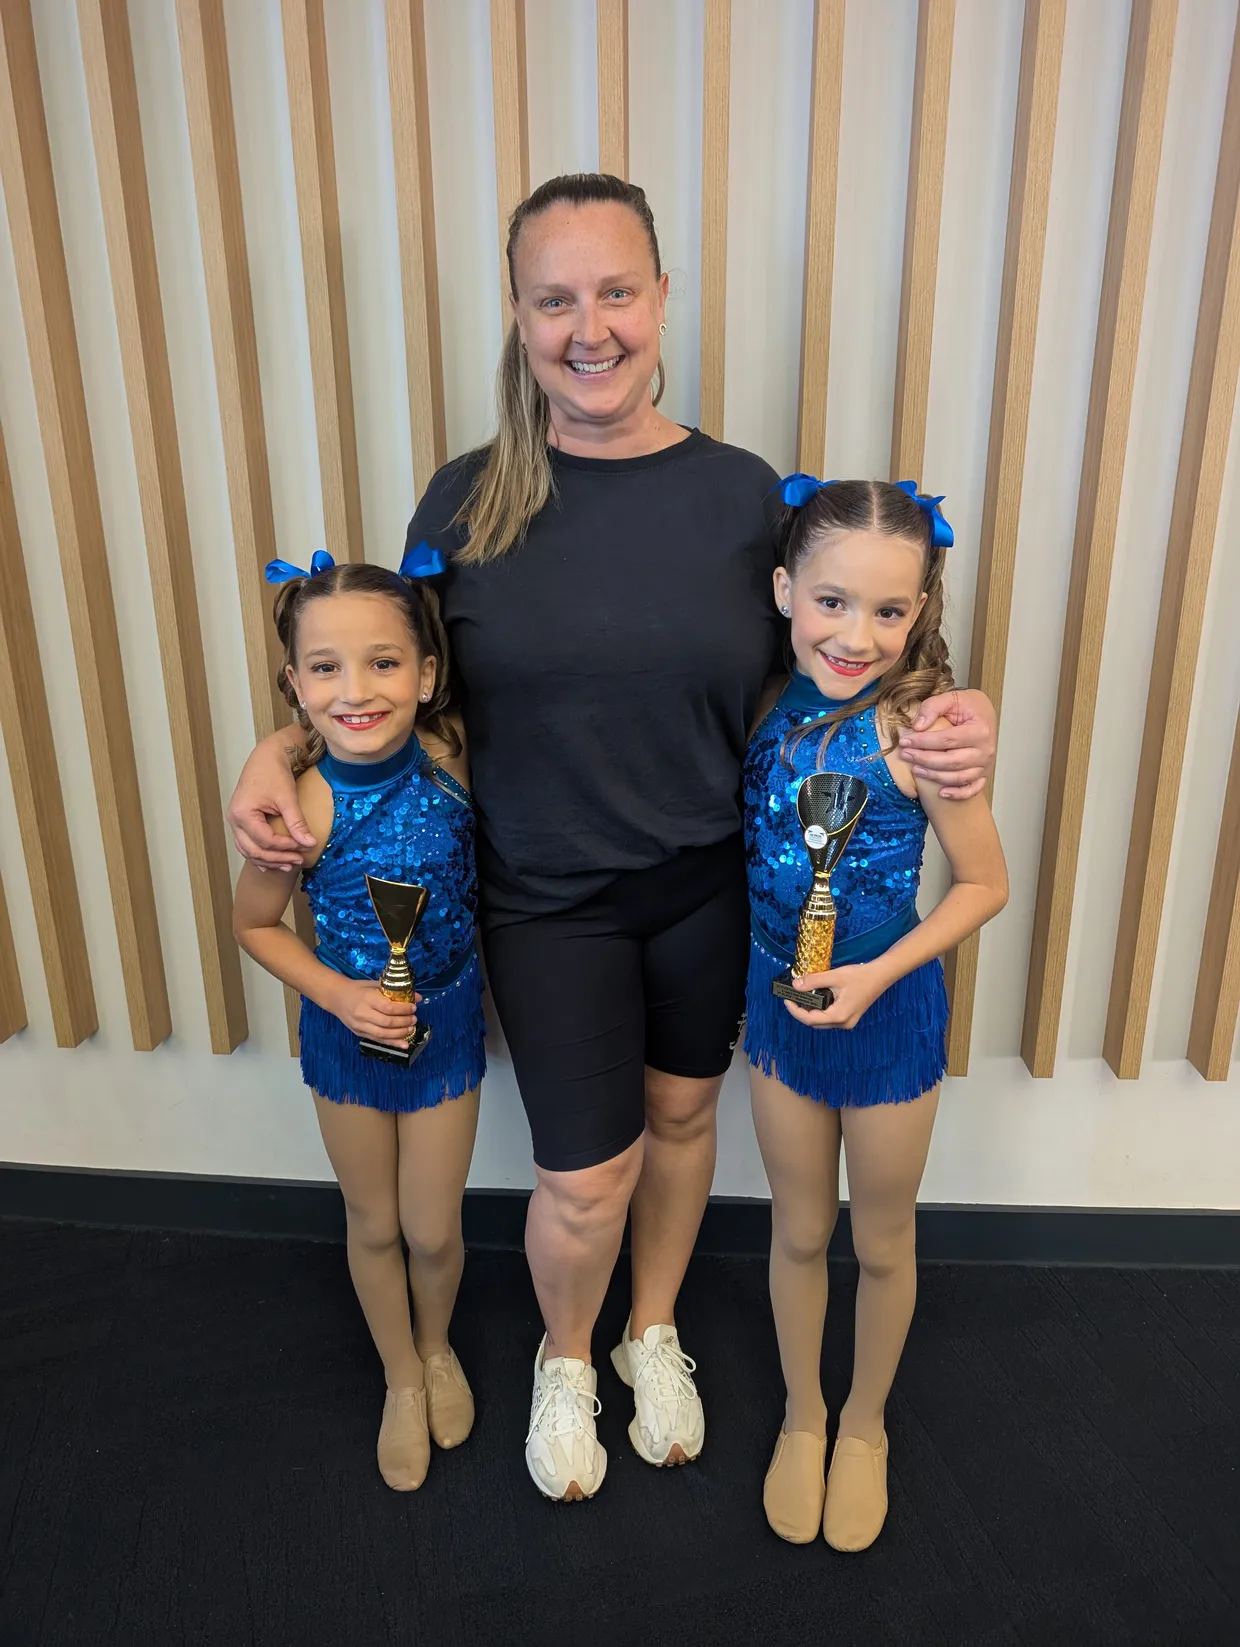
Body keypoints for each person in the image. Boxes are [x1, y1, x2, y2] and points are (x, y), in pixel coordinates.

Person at [226, 173, 999, 1503]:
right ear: (520, 318)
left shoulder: (742, 492)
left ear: (658, 299)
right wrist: (277, 747)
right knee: (586, 1174)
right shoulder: (467, 499)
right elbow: (384, 683)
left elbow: (826, 668)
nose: (590, 325)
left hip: (708, 887)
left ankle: (654, 1329)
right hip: (545, 899)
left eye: (616, 290)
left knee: (684, 1119)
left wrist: (949, 705)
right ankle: (567, 1354)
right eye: (555, 298)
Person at [745, 476, 1008, 1550]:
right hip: (779, 1011)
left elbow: (983, 882)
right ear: (783, 592)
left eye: (889, 611)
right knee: (798, 1228)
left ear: (921, 612)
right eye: (833, 602)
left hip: (886, 1015)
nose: (857, 634)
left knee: (881, 1235)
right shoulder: (760, 706)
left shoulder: (922, 730)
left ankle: (864, 1427)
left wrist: (875, 977)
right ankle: (804, 1417)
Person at [232, 554, 486, 1493]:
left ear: (425, 674)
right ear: (296, 684)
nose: (357, 689)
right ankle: (401, 1376)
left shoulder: (454, 753)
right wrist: (335, 995)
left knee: (432, 1224)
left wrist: (277, 738)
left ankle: (438, 1343)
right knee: (374, 1219)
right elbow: (252, 923)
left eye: (384, 663)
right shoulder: (295, 803)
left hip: (447, 1021)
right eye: (326, 667)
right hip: (346, 1033)